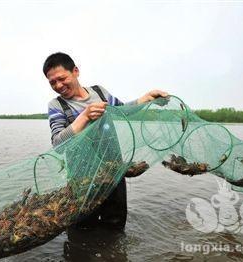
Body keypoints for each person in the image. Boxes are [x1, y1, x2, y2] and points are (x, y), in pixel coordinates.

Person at [44, 52, 168, 230]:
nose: (58, 85)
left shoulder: (99, 92)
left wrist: (146, 98)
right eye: (52, 82)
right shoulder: (57, 106)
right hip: (82, 181)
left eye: (62, 78)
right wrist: (84, 116)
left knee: (115, 226)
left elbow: (122, 111)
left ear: (75, 71)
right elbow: (58, 145)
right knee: (82, 230)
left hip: (113, 172)